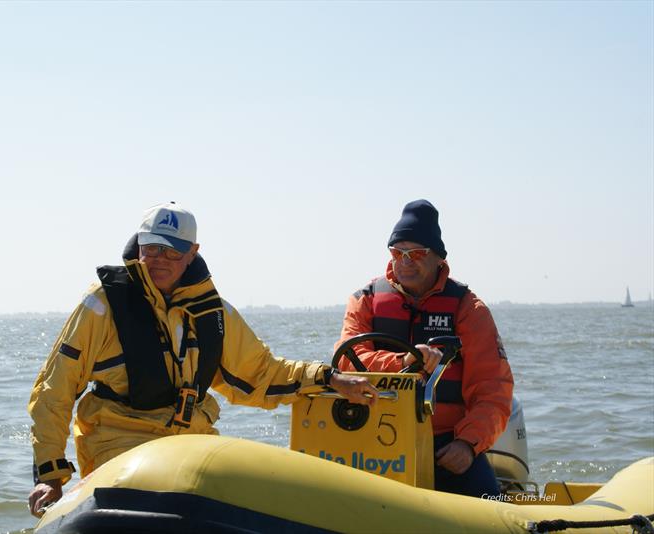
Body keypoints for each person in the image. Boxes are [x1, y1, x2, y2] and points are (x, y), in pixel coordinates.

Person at [28, 201, 379, 517]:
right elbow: (53, 390)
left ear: (193, 252)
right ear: (138, 247)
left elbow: (262, 375)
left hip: (192, 446)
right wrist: (51, 476)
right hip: (119, 447)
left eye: (172, 251)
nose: (159, 259)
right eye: (151, 248)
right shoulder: (102, 305)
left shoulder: (215, 313)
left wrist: (330, 377)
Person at [335, 199, 513, 498]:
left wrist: (467, 444)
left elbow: (493, 389)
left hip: (446, 445)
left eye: (416, 253)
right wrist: (404, 361)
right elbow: (346, 364)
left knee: (490, 507)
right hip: (369, 438)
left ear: (438, 259)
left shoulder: (469, 309)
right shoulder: (364, 300)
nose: (405, 261)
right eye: (397, 252)